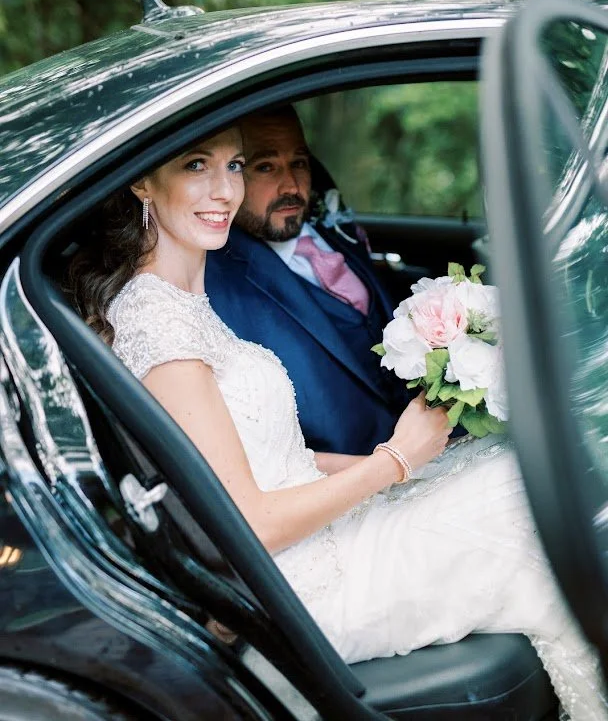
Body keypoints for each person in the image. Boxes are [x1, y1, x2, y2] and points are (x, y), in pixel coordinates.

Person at [68, 127, 607, 720]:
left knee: (519, 466)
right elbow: (247, 522)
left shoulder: (181, 301)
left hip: (317, 541)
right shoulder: (158, 324)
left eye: (235, 165)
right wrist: (393, 462)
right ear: (144, 178)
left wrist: (411, 470)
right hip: (304, 589)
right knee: (530, 493)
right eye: (198, 166)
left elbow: (263, 454)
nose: (225, 191)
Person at [205, 106, 405, 460]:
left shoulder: (332, 227)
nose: (292, 187)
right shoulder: (214, 283)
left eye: (299, 162)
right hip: (355, 471)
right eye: (265, 166)